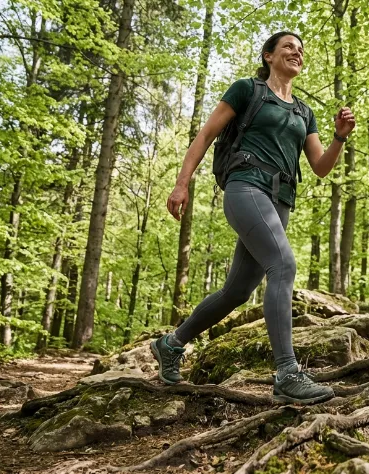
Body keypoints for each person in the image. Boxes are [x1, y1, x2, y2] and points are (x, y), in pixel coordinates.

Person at [150, 31, 355, 405]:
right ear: (268, 56)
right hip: (245, 187)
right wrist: (182, 184)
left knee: (237, 291)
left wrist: (339, 137)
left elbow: (320, 167)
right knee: (283, 265)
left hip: (280, 201)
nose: (296, 52)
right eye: (288, 46)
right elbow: (206, 135)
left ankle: (171, 343)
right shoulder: (247, 90)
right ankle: (287, 373)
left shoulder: (304, 112)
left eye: (300, 49)